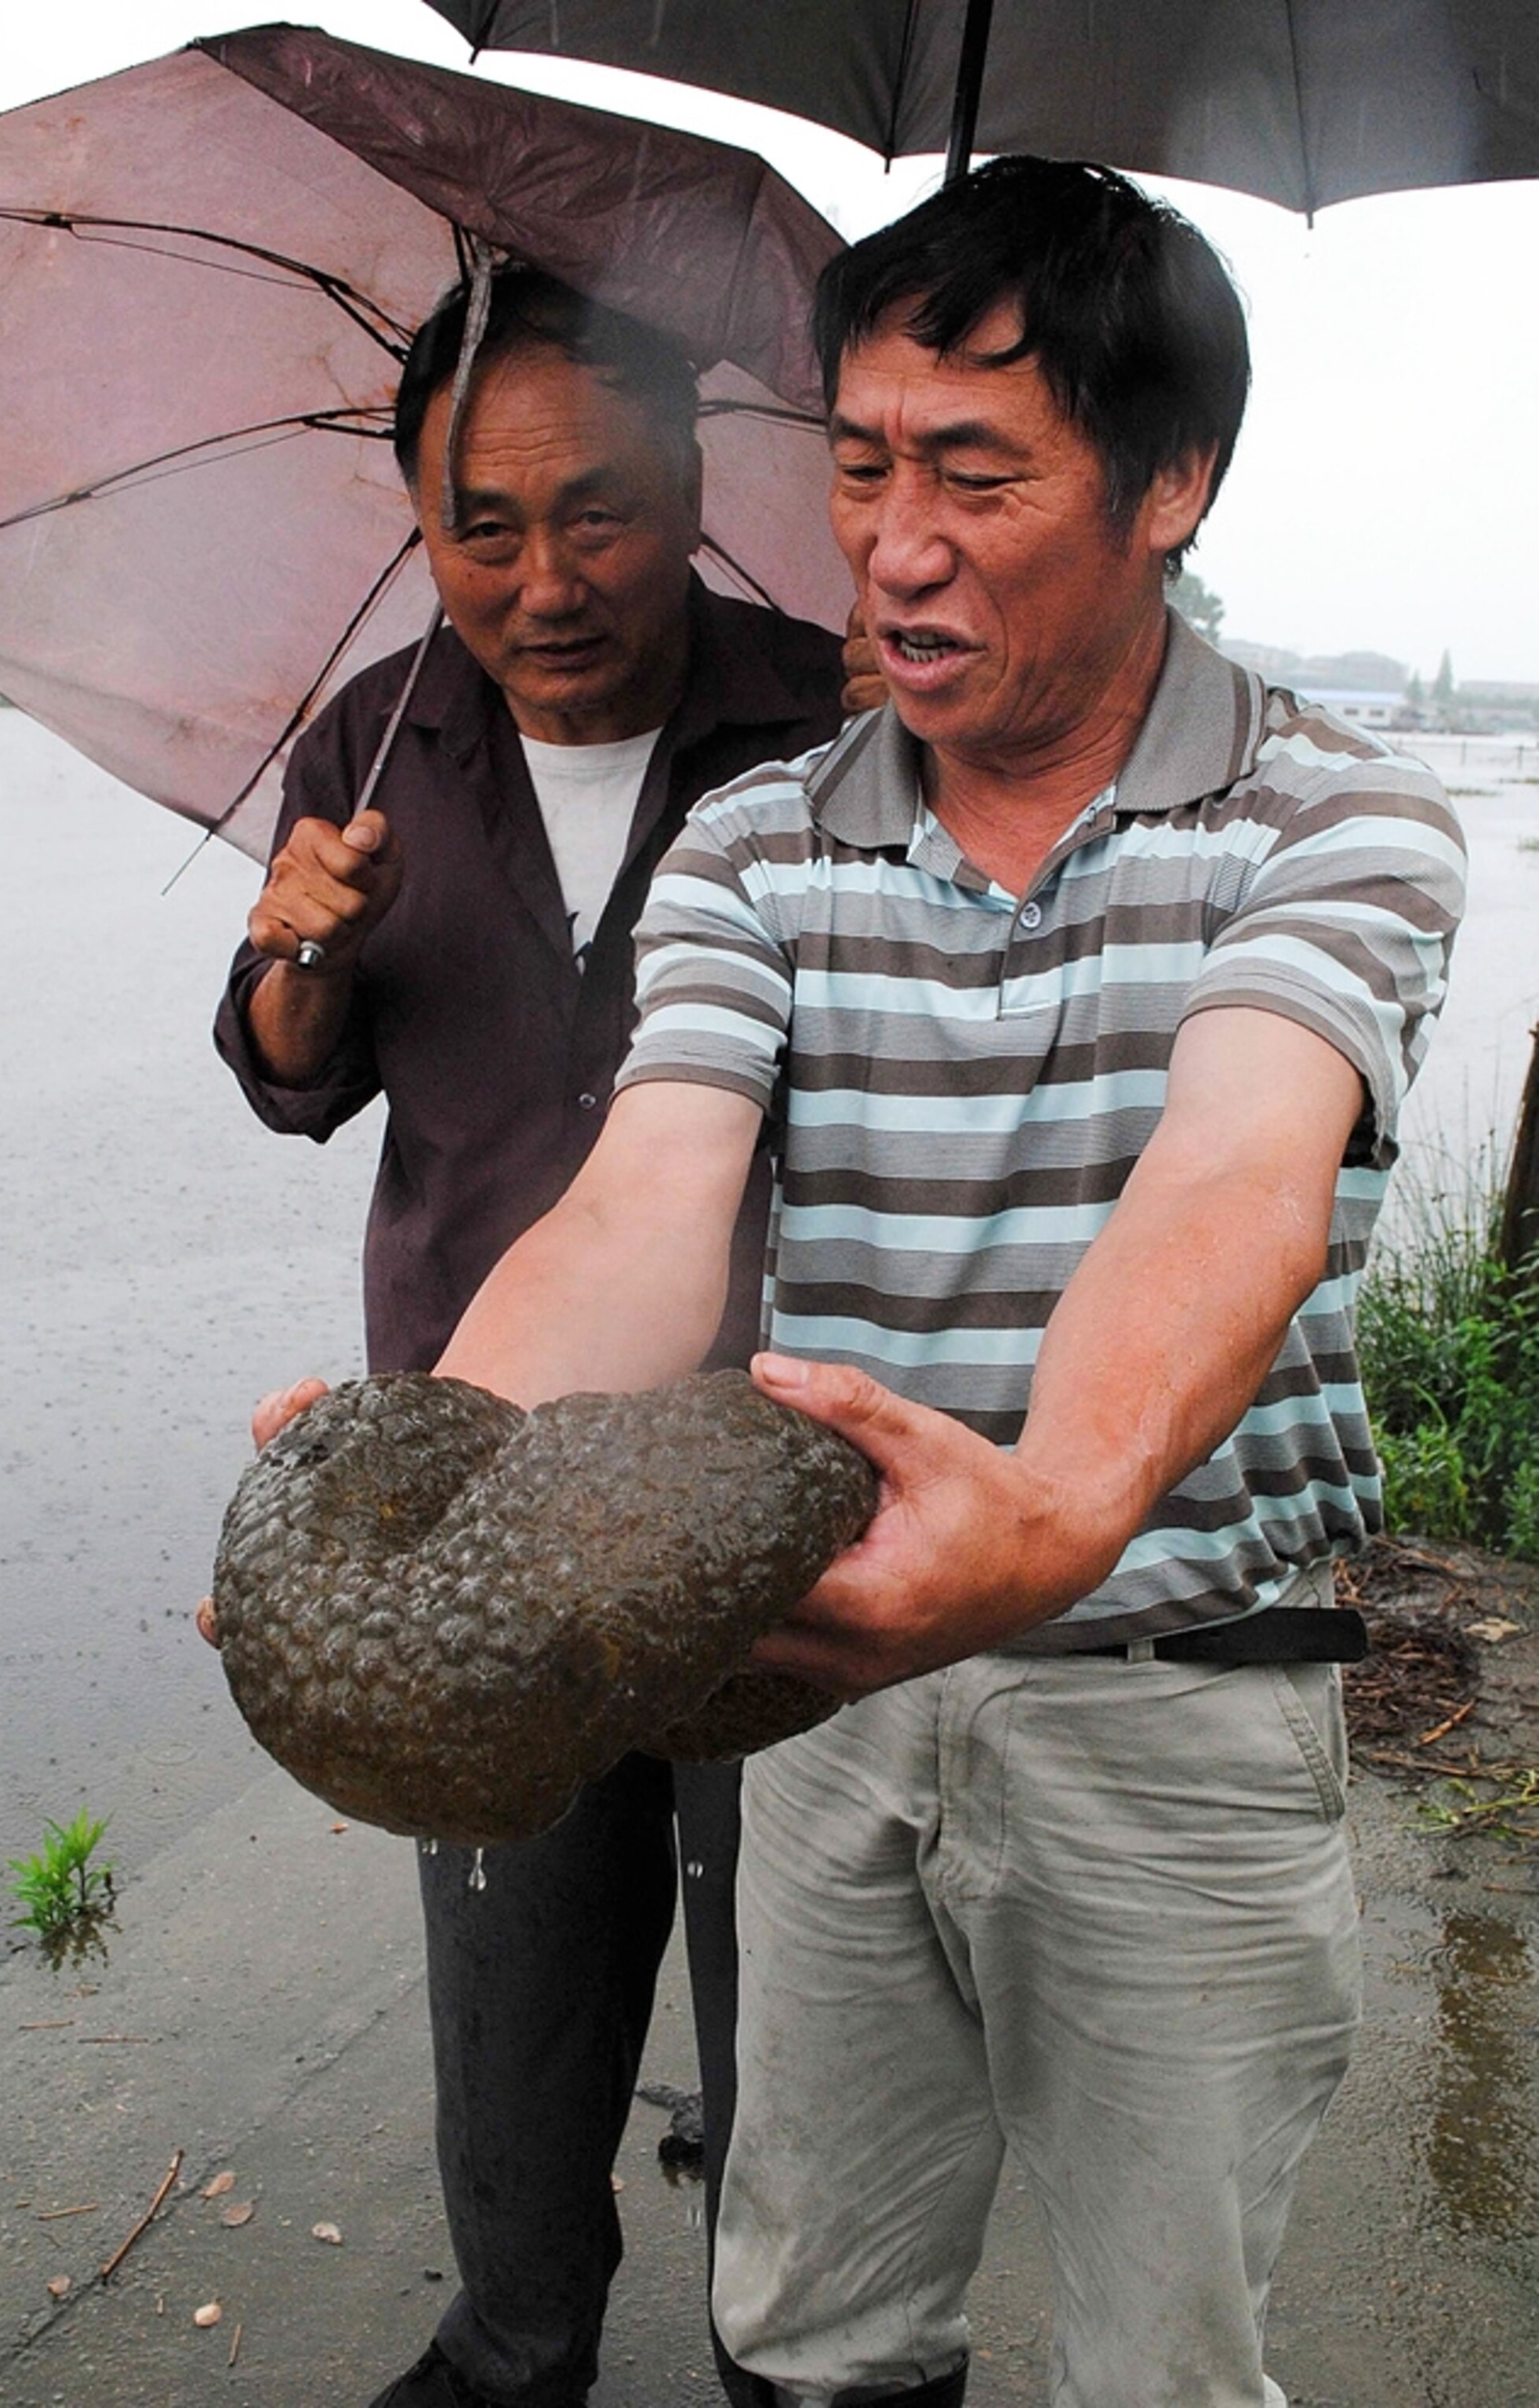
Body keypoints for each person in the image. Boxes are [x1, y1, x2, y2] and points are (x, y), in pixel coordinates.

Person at [402, 159, 1466, 2408]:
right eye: (859, 464)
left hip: (1175, 1696)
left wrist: (1055, 1506)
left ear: (1169, 480)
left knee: (1158, 2356)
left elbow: (1235, 1170)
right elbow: (641, 1204)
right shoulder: (762, 840)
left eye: (975, 473)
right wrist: (446, 1487)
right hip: (832, 1700)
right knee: (809, 2326)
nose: (889, 544)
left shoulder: (1334, 821)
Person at [214, 267, 853, 2408]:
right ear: (419, 524)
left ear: (689, 494)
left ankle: (801, 2351)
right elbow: (298, 1081)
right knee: (509, 2013)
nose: (544, 576)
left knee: (809, 2013)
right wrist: (291, 956)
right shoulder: (379, 740)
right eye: (482, 522)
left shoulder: (841, 721)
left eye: (597, 511)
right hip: (481, 1498)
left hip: (787, 1490)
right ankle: (517, 2342)